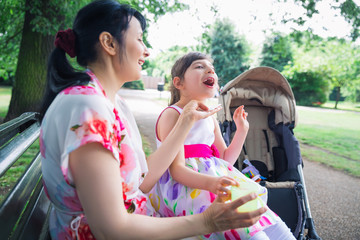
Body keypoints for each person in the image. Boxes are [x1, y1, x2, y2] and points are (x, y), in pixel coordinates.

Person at [39, 1, 267, 239]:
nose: (146, 51)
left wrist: (185, 122)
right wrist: (207, 221)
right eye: (139, 39)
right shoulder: (86, 108)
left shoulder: (111, 103)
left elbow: (143, 184)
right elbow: (110, 231)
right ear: (109, 43)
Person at [148, 52, 296, 240]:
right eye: (199, 66)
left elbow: (226, 160)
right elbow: (176, 170)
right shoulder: (173, 114)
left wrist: (242, 131)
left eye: (212, 68)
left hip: (216, 181)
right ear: (179, 83)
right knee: (248, 231)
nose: (210, 70)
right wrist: (213, 183)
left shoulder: (210, 118)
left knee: (275, 228)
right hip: (188, 188)